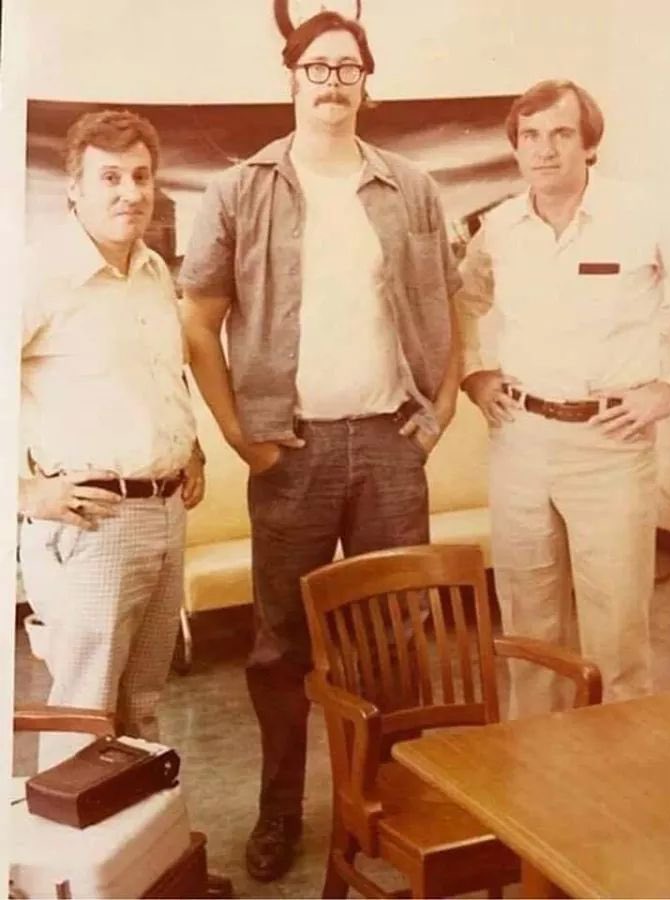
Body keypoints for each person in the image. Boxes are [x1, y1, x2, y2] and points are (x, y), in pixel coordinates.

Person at [179, 11, 460, 881]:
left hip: (389, 448)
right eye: (317, 66)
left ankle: (381, 806)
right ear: (292, 77)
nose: (333, 81)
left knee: (394, 643)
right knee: (281, 649)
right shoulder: (240, 191)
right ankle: (279, 812)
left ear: (367, 83)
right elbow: (198, 321)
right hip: (290, 456)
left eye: (348, 67)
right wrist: (242, 437)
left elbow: (450, 302)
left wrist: (441, 409)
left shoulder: (411, 187)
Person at [457, 79, 670, 719]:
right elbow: (461, 303)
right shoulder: (499, 228)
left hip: (609, 447)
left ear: (590, 144)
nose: (545, 149)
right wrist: (475, 375)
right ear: (515, 147)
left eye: (562, 134)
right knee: (529, 629)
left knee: (615, 633)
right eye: (530, 136)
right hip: (520, 442)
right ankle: (535, 764)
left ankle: (612, 770)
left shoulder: (645, 217)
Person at [18, 109, 206, 768]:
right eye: (110, 177)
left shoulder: (153, 270)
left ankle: (138, 839)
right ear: (74, 188)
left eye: (141, 176)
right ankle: (71, 840)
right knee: (85, 711)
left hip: (164, 513)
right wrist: (23, 492)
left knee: (142, 707)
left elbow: (158, 375)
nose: (131, 192)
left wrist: (190, 450)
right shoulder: (37, 273)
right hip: (92, 524)